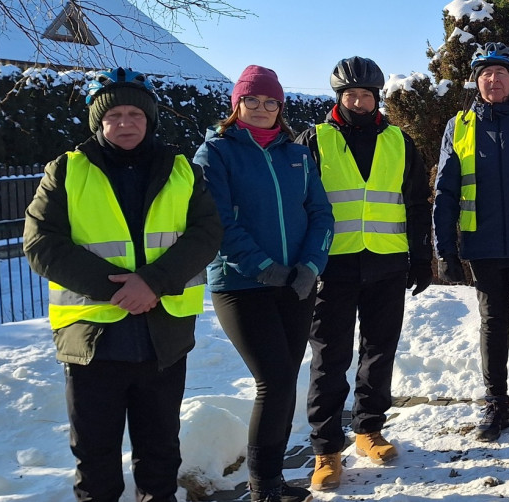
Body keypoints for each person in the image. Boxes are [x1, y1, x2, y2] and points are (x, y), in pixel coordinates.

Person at [23, 68, 222, 502]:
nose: (126, 123)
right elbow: (40, 243)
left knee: (160, 454)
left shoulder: (182, 170)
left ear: (149, 119)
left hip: (162, 339)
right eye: (114, 115)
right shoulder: (66, 171)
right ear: (99, 122)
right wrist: (119, 289)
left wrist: (151, 283)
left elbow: (206, 233)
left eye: (135, 113)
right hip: (93, 342)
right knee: (95, 460)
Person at [193, 65, 332, 502]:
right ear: (236, 105)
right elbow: (217, 221)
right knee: (272, 379)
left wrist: (310, 266)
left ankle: (271, 480)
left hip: (296, 283)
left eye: (270, 101)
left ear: (280, 107)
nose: (260, 109)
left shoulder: (297, 153)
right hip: (241, 285)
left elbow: (321, 213)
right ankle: (262, 485)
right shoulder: (215, 152)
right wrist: (263, 266)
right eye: (251, 100)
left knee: (286, 378)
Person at [295, 56, 432, 490]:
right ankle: (326, 449)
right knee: (329, 358)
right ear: (339, 97)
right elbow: (299, 205)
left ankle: (369, 429)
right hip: (331, 267)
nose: (358, 100)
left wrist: (422, 256)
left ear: (377, 98)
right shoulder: (313, 141)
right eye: (350, 94)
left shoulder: (399, 141)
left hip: (387, 264)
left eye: (366, 94)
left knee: (379, 351)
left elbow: (415, 204)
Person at [433, 42, 509, 443]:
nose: (493, 78)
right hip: (483, 246)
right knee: (492, 326)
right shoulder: (461, 124)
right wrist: (445, 250)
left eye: (500, 71)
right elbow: (446, 189)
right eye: (485, 72)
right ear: (476, 79)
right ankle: (496, 403)